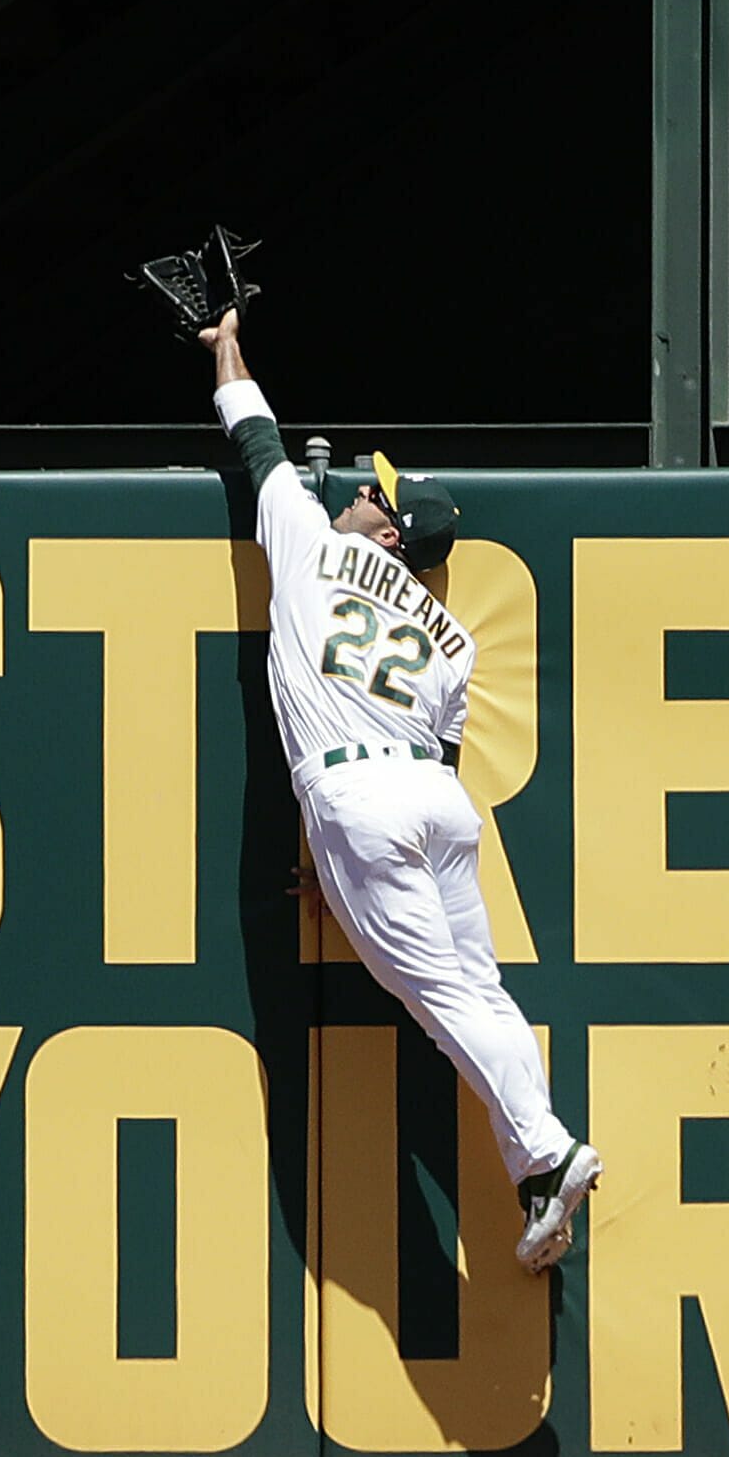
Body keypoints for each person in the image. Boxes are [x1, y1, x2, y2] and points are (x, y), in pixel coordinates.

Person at [199, 305, 601, 1272]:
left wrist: (224, 348)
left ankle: (548, 1150)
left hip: (357, 800)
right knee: (482, 991)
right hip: (434, 803)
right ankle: (540, 1174)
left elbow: (256, 441)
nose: (357, 496)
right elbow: (449, 766)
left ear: (385, 531)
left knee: (436, 1000)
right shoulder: (454, 638)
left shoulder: (309, 545)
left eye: (374, 496)